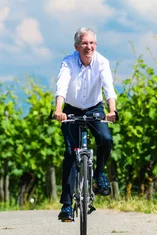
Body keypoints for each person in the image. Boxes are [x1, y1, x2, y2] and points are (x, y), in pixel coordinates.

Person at [53, 27, 118, 221]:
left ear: (95, 45)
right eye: (84, 43)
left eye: (91, 43)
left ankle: (99, 174)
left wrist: (112, 110)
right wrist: (59, 110)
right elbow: (61, 85)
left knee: (106, 139)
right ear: (76, 46)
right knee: (70, 154)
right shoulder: (68, 62)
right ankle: (66, 206)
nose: (88, 47)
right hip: (71, 109)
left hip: (94, 108)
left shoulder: (102, 62)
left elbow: (109, 88)